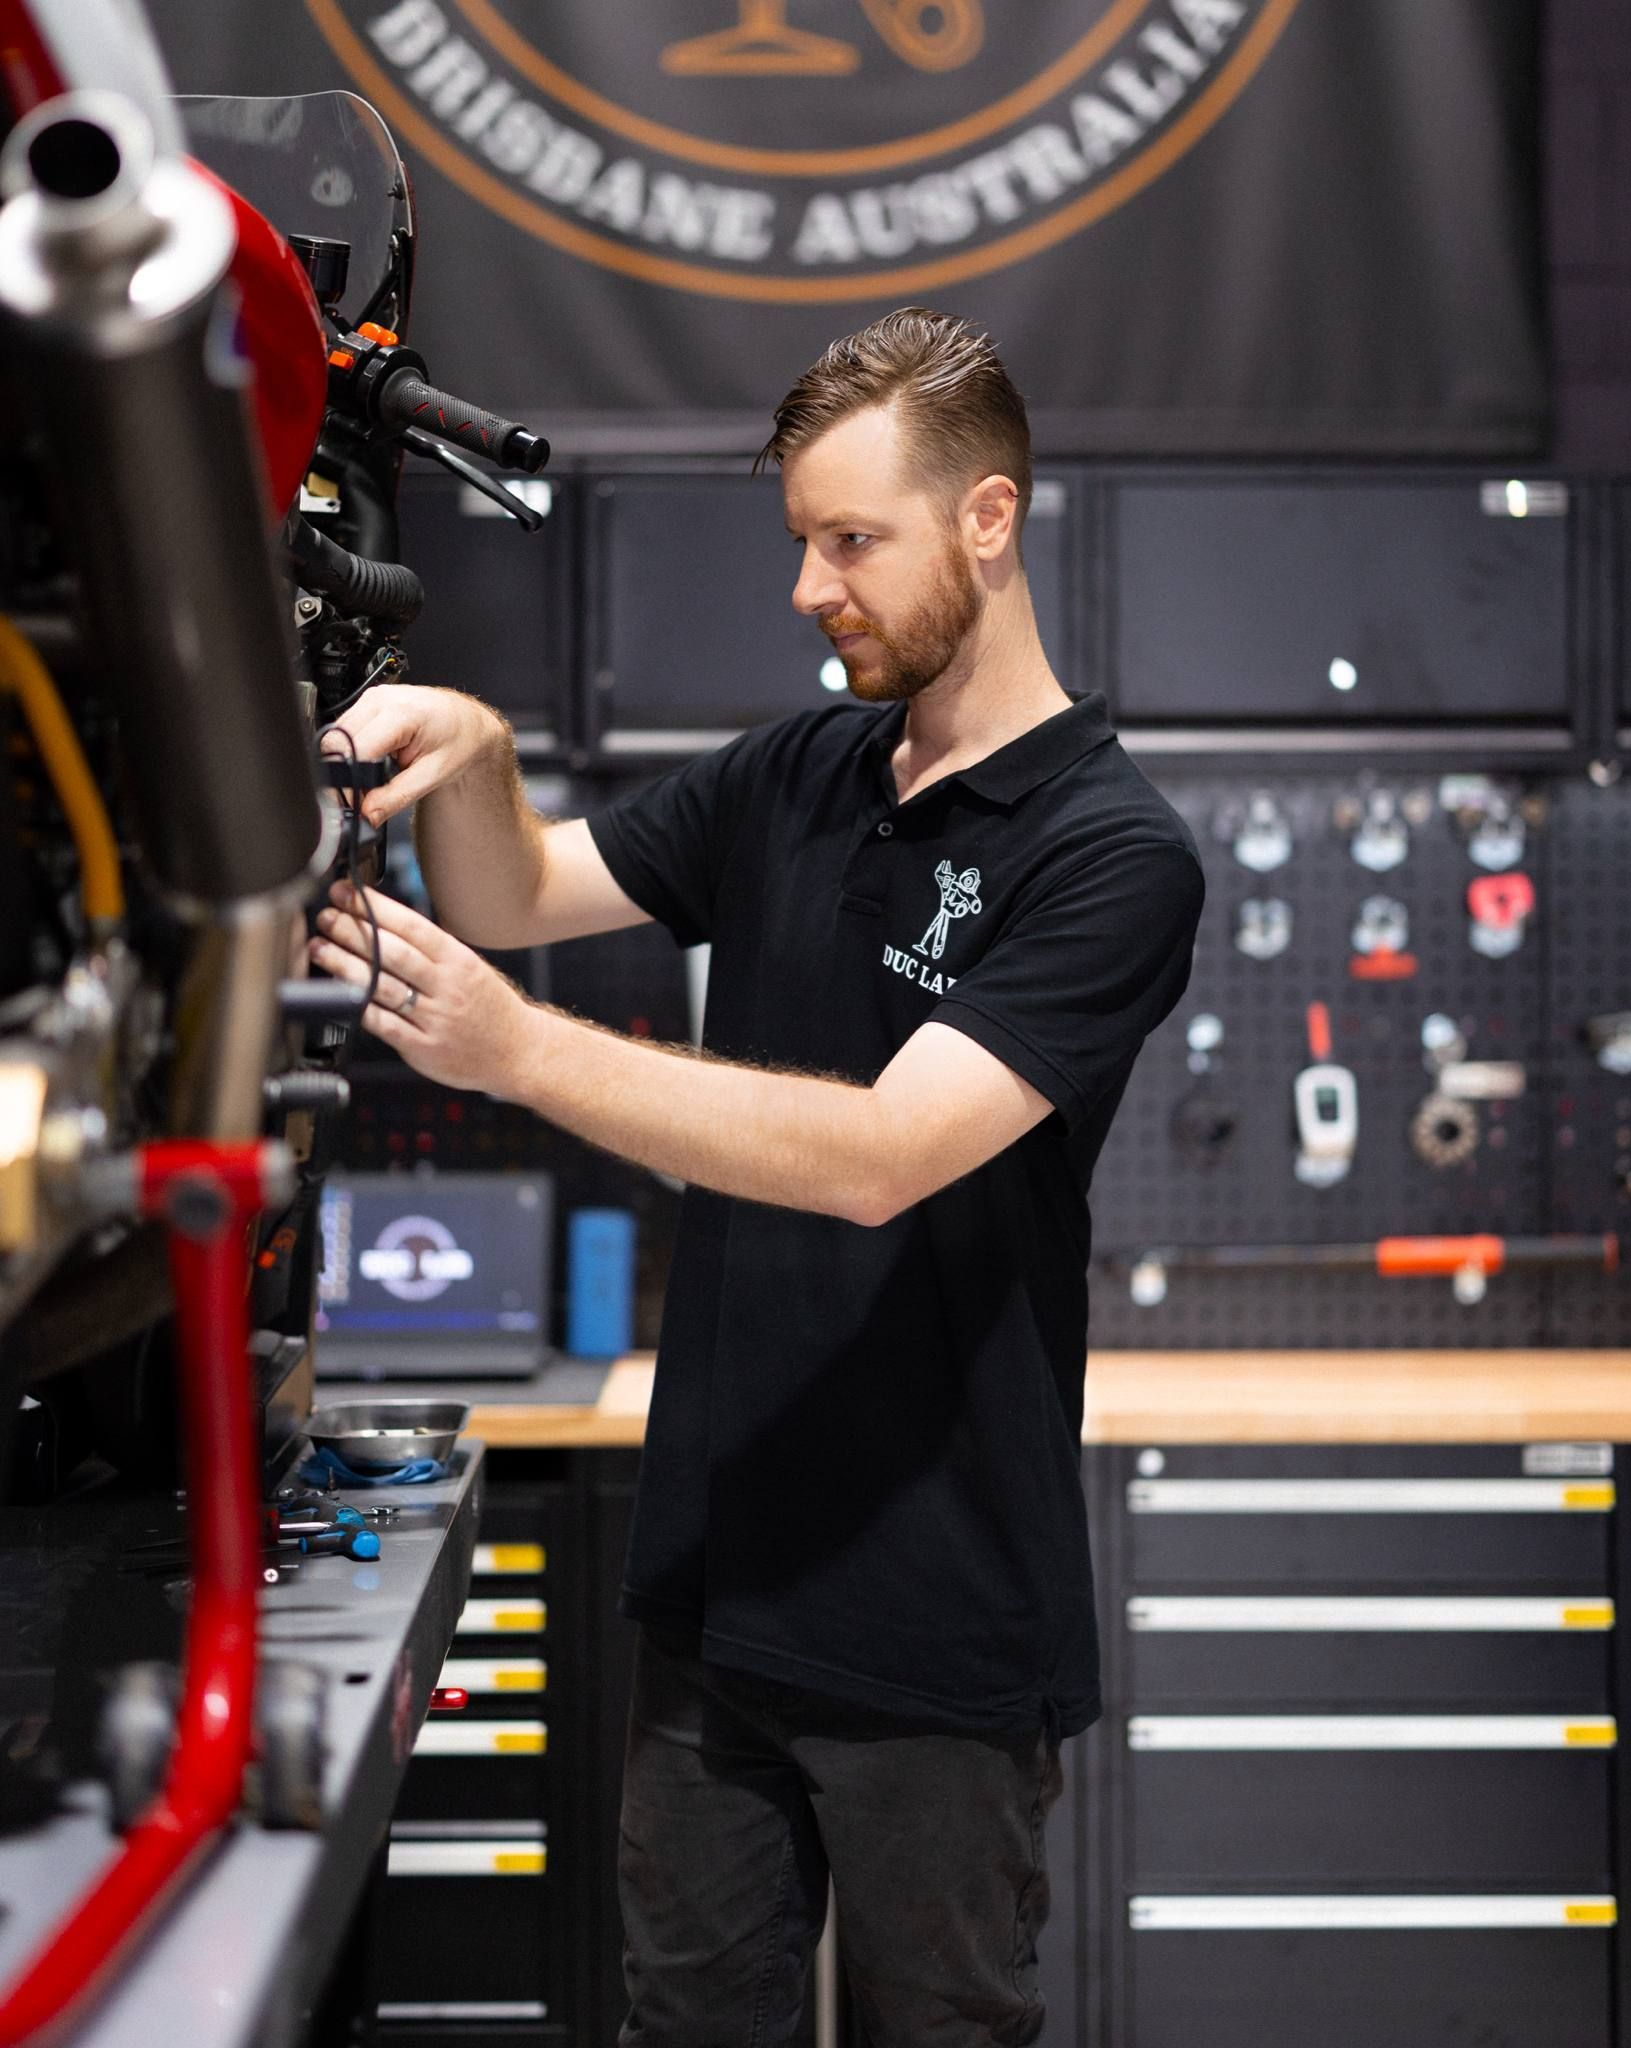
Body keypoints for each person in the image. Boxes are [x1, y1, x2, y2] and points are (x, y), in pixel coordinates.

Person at [317, 306, 1205, 2045]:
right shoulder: (796, 775)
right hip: (719, 1597)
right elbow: (509, 901)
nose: (811, 588)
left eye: (851, 541)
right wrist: (481, 763)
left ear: (988, 520)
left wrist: (515, 1052)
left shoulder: (1109, 853)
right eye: (802, 541)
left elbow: (883, 1157)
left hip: (940, 1634)